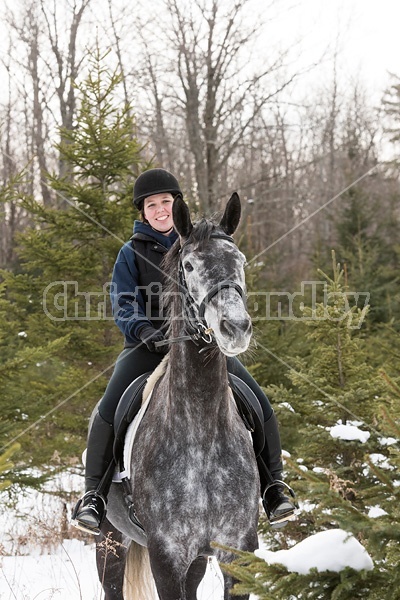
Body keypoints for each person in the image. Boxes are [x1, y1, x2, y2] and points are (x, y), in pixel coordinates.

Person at [72, 168, 296, 535]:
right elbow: (123, 302)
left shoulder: (202, 246)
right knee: (109, 409)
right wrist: (143, 330)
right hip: (147, 347)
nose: (160, 209)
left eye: (166, 202)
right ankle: (94, 496)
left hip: (205, 347)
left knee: (258, 402)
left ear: (177, 206)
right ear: (142, 212)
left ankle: (273, 488)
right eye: (152, 204)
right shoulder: (131, 253)